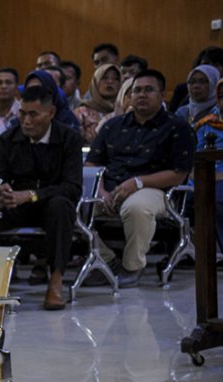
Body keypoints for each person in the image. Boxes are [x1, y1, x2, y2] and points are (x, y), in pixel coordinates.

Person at [85, 69, 194, 288]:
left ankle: (132, 267)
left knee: (136, 207)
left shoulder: (177, 127)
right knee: (69, 205)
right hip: (110, 188)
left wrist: (138, 183)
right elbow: (92, 164)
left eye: (148, 90)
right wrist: (101, 191)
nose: (142, 95)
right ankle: (107, 261)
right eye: (137, 91)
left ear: (162, 94)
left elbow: (179, 173)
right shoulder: (112, 126)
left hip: (155, 190)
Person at [0, 85, 83, 310]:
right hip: (17, 205)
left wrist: (31, 196)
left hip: (51, 204)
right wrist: (2, 190)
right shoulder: (8, 139)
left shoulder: (69, 138)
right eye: (22, 114)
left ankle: (56, 281)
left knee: (62, 206)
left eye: (33, 114)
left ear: (50, 113)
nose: (26, 121)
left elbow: (72, 187)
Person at [194, 75, 223, 256]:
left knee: (219, 197)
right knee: (200, 194)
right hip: (206, 174)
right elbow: (196, 156)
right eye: (222, 96)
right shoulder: (206, 123)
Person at [73, 64, 121, 144]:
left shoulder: (125, 110)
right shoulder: (81, 112)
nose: (110, 82)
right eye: (104, 78)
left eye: (116, 79)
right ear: (96, 82)